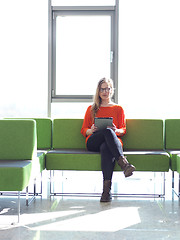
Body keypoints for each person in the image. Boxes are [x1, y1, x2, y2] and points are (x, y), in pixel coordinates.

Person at [81, 77, 136, 202]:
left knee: (106, 147)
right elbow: (84, 129)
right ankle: (124, 164)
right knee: (106, 131)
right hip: (93, 141)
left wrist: (115, 130)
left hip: (112, 143)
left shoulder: (118, 109)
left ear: (111, 90)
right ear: (98, 91)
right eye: (102, 89)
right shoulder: (92, 109)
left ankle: (106, 192)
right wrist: (92, 129)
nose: (105, 91)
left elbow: (123, 130)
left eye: (108, 88)